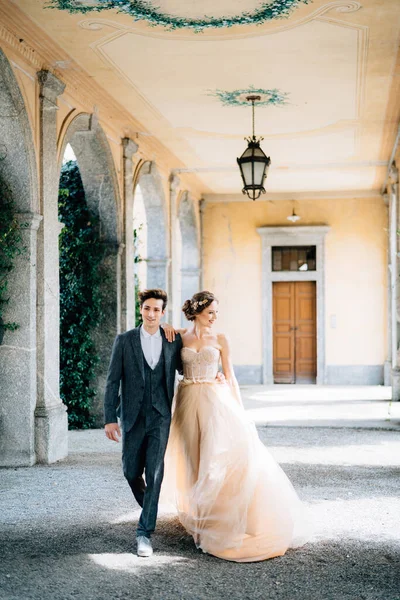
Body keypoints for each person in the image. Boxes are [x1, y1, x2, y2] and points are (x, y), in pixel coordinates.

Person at [161, 290, 309, 562]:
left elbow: (230, 376)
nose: (214, 318)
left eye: (217, 313)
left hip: (213, 401)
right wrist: (166, 326)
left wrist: (241, 411)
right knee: (191, 459)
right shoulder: (181, 335)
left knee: (214, 458)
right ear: (196, 312)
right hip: (185, 401)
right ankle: (197, 517)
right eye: (210, 313)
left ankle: (212, 520)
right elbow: (157, 335)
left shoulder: (221, 339)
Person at [103, 289, 183, 558]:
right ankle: (151, 504)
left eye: (157, 310)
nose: (151, 314)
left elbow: (188, 364)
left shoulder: (173, 340)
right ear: (141, 309)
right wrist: (109, 419)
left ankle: (144, 533)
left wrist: (215, 376)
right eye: (147, 308)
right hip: (132, 417)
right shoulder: (124, 341)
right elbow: (113, 380)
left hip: (161, 415)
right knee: (130, 470)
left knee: (156, 471)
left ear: (163, 313)